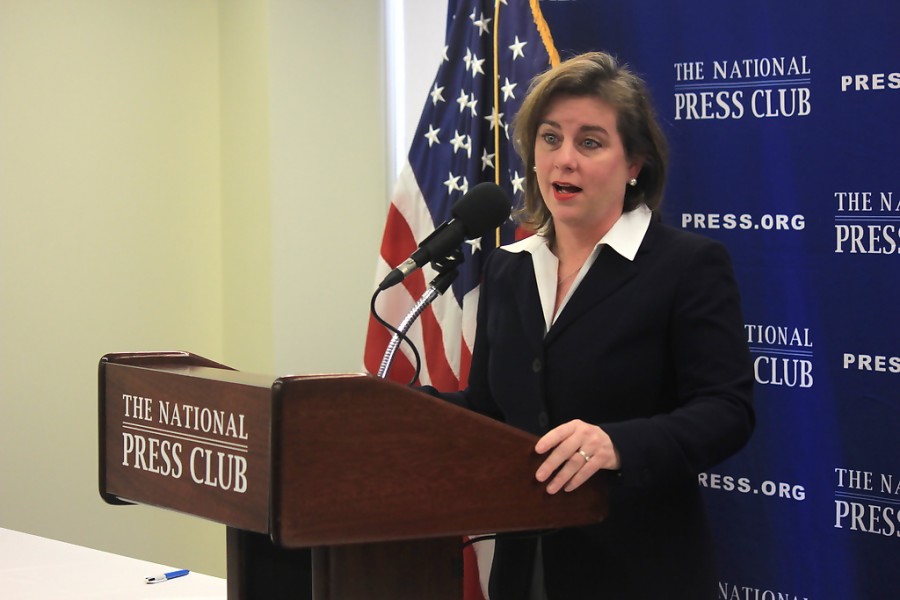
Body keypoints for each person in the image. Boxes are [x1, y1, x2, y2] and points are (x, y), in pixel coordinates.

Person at [425, 51, 755, 599]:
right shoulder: (510, 266)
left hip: (638, 569)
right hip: (524, 565)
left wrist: (615, 444)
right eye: (550, 138)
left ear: (635, 165)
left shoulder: (686, 265)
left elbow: (728, 412)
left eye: (590, 142)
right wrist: (399, 409)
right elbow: (488, 410)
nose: (564, 160)